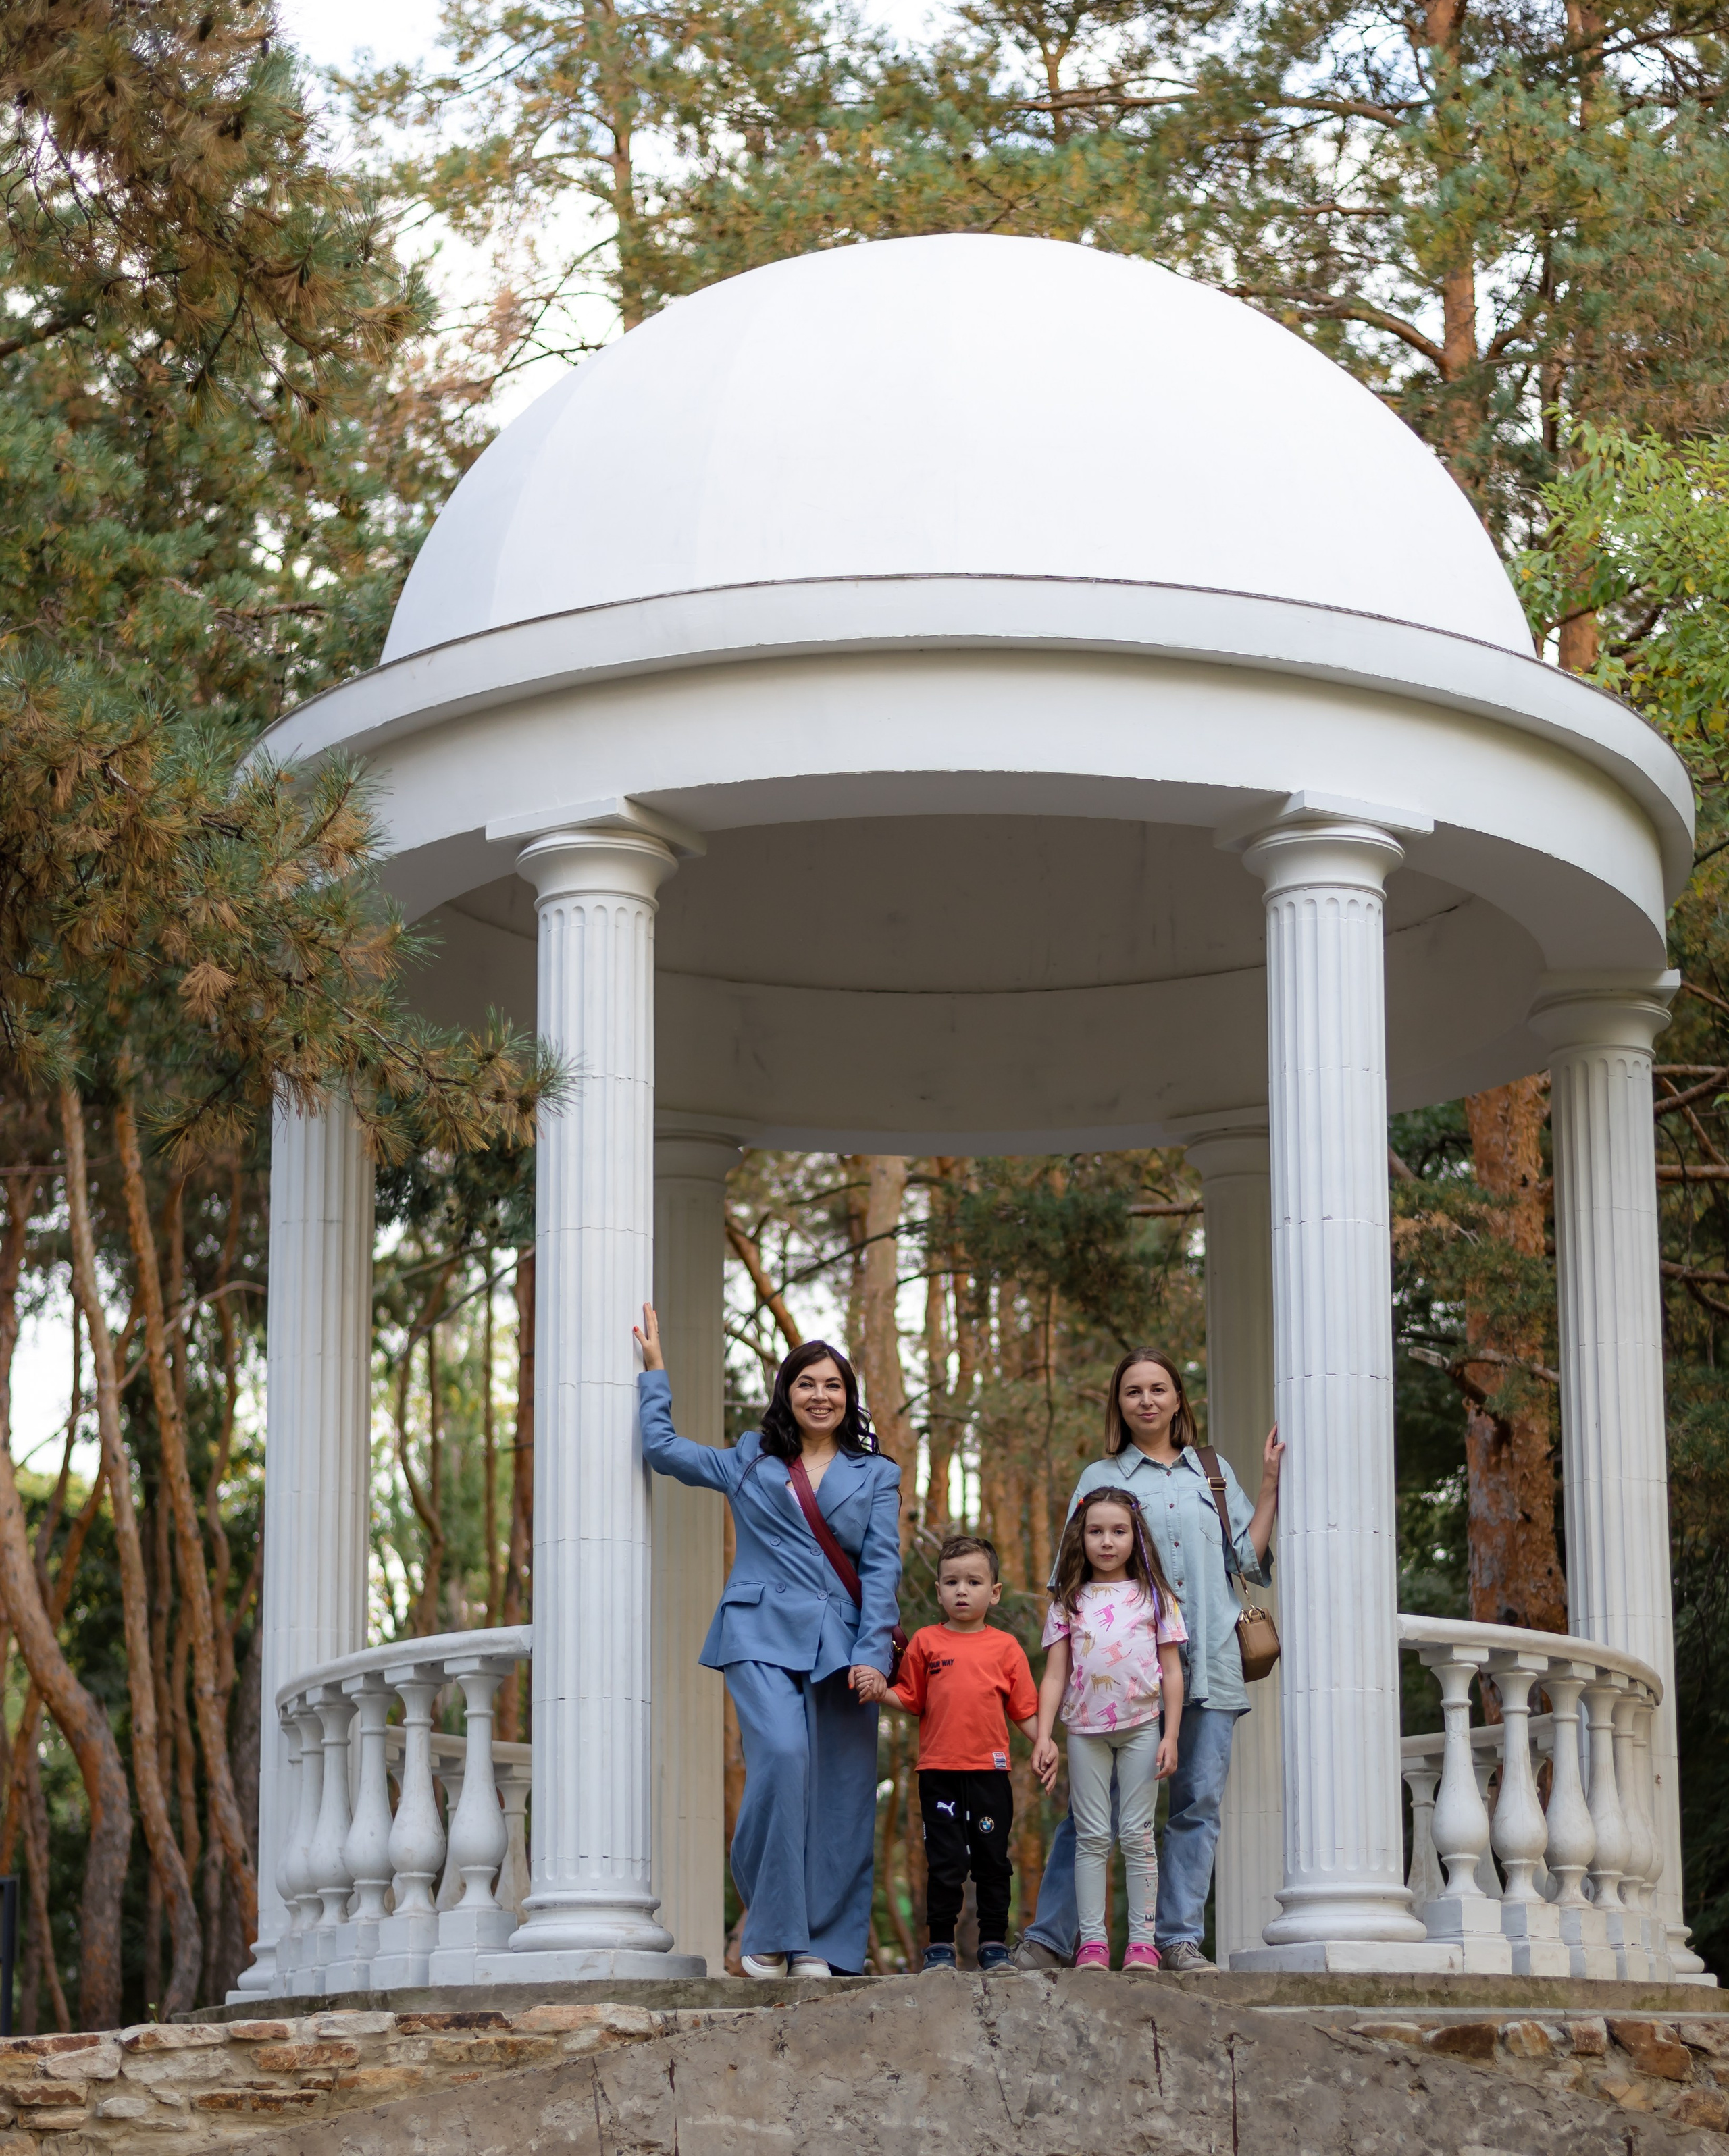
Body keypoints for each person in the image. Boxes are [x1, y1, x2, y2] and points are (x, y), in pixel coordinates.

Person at [634, 1305, 901, 1980]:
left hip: (840, 1645)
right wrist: (655, 1374)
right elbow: (665, 1450)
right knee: (781, 1757)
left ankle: (817, 1941)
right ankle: (769, 1927)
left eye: (833, 1385)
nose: (821, 1395)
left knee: (841, 1791)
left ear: (848, 1398)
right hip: (755, 1631)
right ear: (786, 1392)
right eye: (807, 1383)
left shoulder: (876, 1474)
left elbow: (880, 1568)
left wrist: (873, 1657)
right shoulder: (749, 1460)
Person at [1014, 1348, 1283, 1975]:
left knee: (1196, 1805)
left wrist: (1269, 1485)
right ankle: (1055, 1936)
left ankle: (1175, 1939)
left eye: (1159, 1388)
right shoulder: (1099, 1477)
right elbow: (1069, 1581)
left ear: (1178, 1399)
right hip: (1119, 1682)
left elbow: (1247, 1559)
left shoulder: (1210, 1473)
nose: (1147, 1400)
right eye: (1133, 1390)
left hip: (1210, 1661)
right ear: (1120, 1404)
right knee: (1092, 1811)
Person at [864, 1535, 1038, 1973]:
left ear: (994, 1591)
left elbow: (1025, 1711)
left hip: (989, 1775)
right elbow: (912, 1698)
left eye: (974, 1581)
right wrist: (880, 1690)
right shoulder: (925, 1642)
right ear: (939, 1590)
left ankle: (994, 1944)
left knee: (992, 1861)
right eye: (952, 1581)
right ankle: (939, 1945)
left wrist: (1047, 1743)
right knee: (945, 1863)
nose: (962, 1590)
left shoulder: (1005, 1648)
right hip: (938, 1773)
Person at [1031, 1488, 1187, 1972]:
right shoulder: (1068, 1602)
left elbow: (1173, 1670)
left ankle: (1143, 1943)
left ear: (1136, 1536)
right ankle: (1092, 1944)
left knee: (1138, 1834)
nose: (1106, 1541)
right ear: (1081, 1536)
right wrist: (1043, 1735)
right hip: (1084, 1730)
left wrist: (1171, 1734)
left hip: (1142, 1726)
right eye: (1096, 1531)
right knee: (1093, 1835)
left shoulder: (1156, 1597)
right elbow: (1055, 1673)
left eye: (1118, 1531)